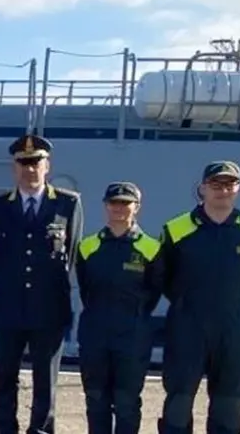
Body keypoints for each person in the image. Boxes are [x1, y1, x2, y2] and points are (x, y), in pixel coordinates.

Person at [150, 161, 240, 434]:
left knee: (229, 402)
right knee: (179, 400)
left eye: (229, 184)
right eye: (215, 184)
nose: (222, 190)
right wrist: (185, 303)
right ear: (202, 188)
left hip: (236, 326)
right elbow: (162, 277)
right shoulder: (176, 229)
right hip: (188, 324)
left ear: (239, 189)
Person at [0, 134, 83, 434]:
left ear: (47, 166)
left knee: (45, 379)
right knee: (5, 376)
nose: (30, 169)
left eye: (35, 162)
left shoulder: (68, 204)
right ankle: (5, 427)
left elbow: (72, 251)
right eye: (23, 163)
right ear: (14, 168)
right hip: (10, 306)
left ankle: (41, 429)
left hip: (49, 307)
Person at [75, 182, 161, 434]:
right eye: (114, 202)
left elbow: (154, 290)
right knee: (96, 399)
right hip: (95, 334)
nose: (119, 208)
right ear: (105, 206)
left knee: (127, 403)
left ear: (137, 208)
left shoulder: (151, 249)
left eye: (126, 203)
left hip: (133, 335)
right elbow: (85, 287)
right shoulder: (88, 247)